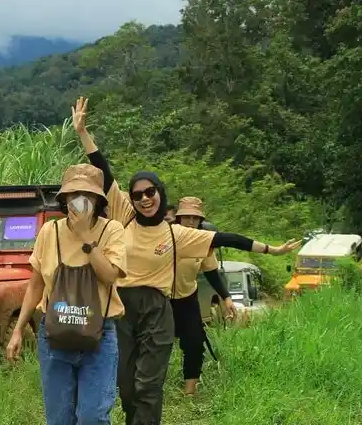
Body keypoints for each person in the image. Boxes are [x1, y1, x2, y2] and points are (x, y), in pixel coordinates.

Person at [71, 96, 301, 425]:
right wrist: (83, 132)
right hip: (121, 307)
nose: (144, 199)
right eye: (138, 195)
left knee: (148, 384)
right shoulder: (123, 214)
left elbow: (227, 238)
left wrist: (272, 250)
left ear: (160, 193)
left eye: (150, 192)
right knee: (126, 386)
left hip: (157, 309)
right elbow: (103, 172)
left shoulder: (177, 234)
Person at [6, 163, 128, 425]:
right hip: (55, 333)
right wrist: (17, 330)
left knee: (92, 416)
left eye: (88, 194)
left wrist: (86, 237)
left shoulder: (112, 230)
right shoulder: (50, 232)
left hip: (99, 334)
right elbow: (36, 284)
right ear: (64, 198)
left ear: (98, 200)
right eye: (74, 194)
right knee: (59, 418)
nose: (80, 200)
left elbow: (109, 276)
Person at [171, 196, 236, 397]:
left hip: (187, 298)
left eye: (195, 218)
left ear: (200, 220)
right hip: (161, 299)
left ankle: (190, 392)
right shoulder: (166, 235)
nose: (190, 221)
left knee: (194, 342)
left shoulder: (202, 242)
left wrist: (226, 298)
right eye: (186, 217)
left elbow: (211, 272)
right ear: (179, 218)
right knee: (157, 344)